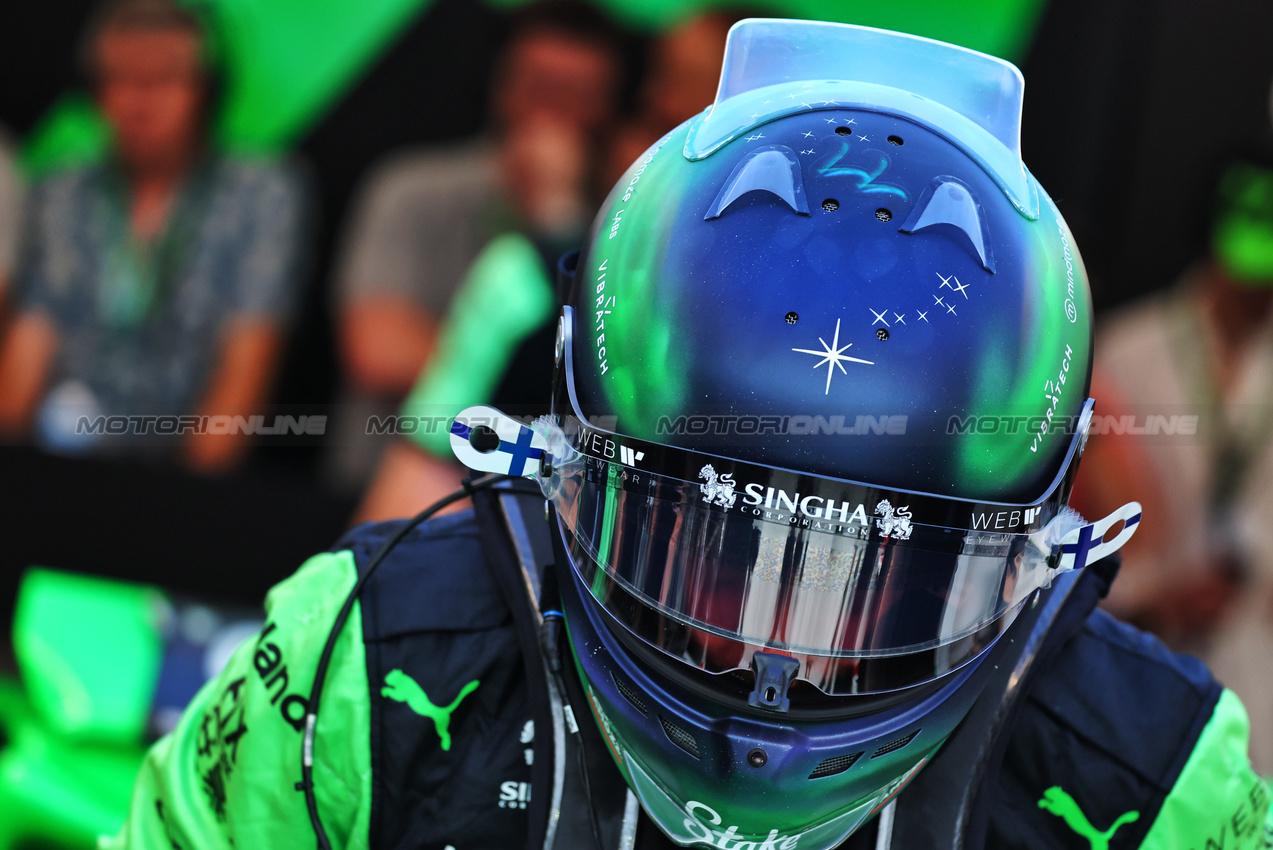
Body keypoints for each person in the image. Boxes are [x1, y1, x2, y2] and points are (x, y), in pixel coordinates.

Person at [104, 20, 1271, 850]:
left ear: (1035, 543)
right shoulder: (366, 657)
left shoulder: (1151, 777)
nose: (768, 671)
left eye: (868, 589)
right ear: (559, 457)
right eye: (711, 552)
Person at [326, 0, 625, 494]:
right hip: (386, 485)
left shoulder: (616, 227)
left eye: (577, 94)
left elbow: (611, 383)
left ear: (606, 109)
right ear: (502, 89)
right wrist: (531, 380)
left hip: (544, 503)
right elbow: (376, 349)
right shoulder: (412, 189)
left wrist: (559, 217)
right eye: (540, 88)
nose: (554, 112)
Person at [0, 0, 306, 473]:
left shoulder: (263, 193)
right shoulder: (62, 191)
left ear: (208, 91)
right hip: (59, 464)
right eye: (120, 79)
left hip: (187, 480)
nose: (141, 101)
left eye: (164, 79)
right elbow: (31, 341)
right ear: (93, 93)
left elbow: (247, 356)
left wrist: (181, 505)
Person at [1074, 152, 1273, 772]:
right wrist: (1151, 597)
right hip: (1138, 650)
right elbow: (1078, 514)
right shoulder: (1126, 351)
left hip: (1257, 659)